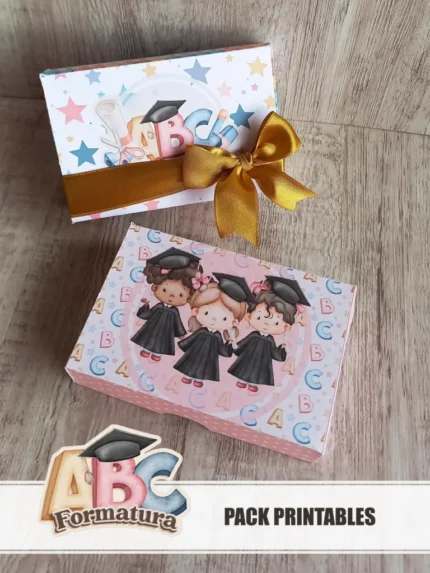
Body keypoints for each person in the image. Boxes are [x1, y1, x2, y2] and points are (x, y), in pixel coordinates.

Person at [228, 276, 311, 392]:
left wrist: (282, 349)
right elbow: (242, 346)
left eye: (276, 322)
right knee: (245, 367)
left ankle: (253, 383)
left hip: (262, 362)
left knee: (258, 372)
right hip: (248, 359)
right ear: (249, 315)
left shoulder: (270, 340)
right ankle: (242, 380)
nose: (266, 324)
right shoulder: (253, 336)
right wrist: (234, 344)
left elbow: (274, 353)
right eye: (259, 317)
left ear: (286, 326)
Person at [174, 273, 253, 387]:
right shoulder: (201, 331)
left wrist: (229, 344)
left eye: (224, 318)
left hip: (209, 357)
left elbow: (221, 349)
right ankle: (187, 376)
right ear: (196, 311)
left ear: (234, 322)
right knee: (190, 362)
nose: (214, 319)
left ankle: (199, 379)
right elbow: (191, 340)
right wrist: (183, 342)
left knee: (205, 366)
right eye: (206, 312)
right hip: (195, 353)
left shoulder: (217, 336)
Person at [131, 248, 202, 361]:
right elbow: (149, 313)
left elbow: (177, 324)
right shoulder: (158, 306)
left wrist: (181, 336)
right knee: (150, 336)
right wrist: (145, 308)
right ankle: (146, 350)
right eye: (164, 290)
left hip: (166, 332)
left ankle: (157, 353)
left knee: (162, 341)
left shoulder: (174, 312)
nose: (172, 296)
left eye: (180, 295)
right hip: (153, 328)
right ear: (155, 286)